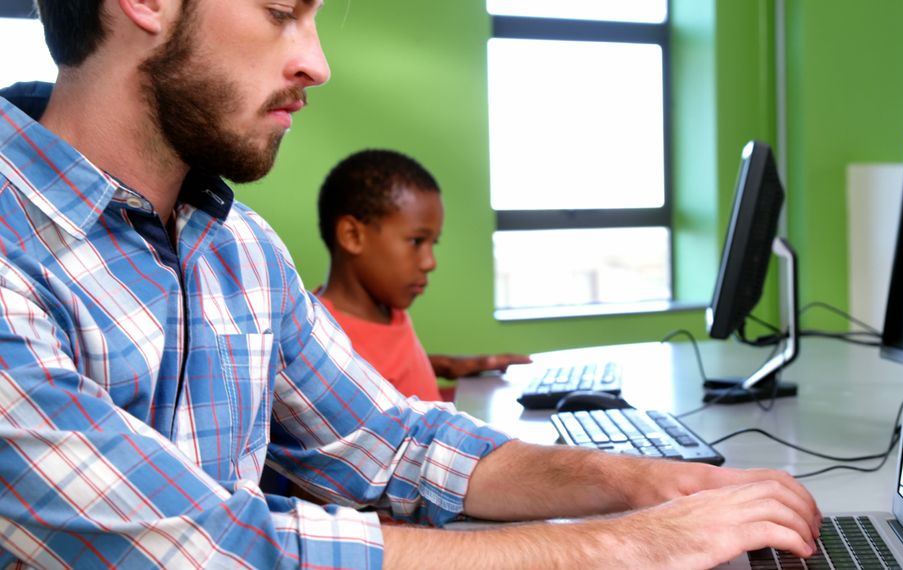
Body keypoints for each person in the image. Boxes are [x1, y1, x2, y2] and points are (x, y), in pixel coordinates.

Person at [0, 1, 820, 567]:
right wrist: (630, 545)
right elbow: (211, 552)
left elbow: (398, 444)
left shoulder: (238, 248)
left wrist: (645, 484)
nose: (315, 62)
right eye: (282, 12)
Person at [315, 148, 530, 402]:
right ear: (352, 236)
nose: (430, 263)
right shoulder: (322, 341)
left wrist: (447, 365)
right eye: (417, 241)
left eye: (433, 243)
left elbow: (388, 365)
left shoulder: (384, 307)